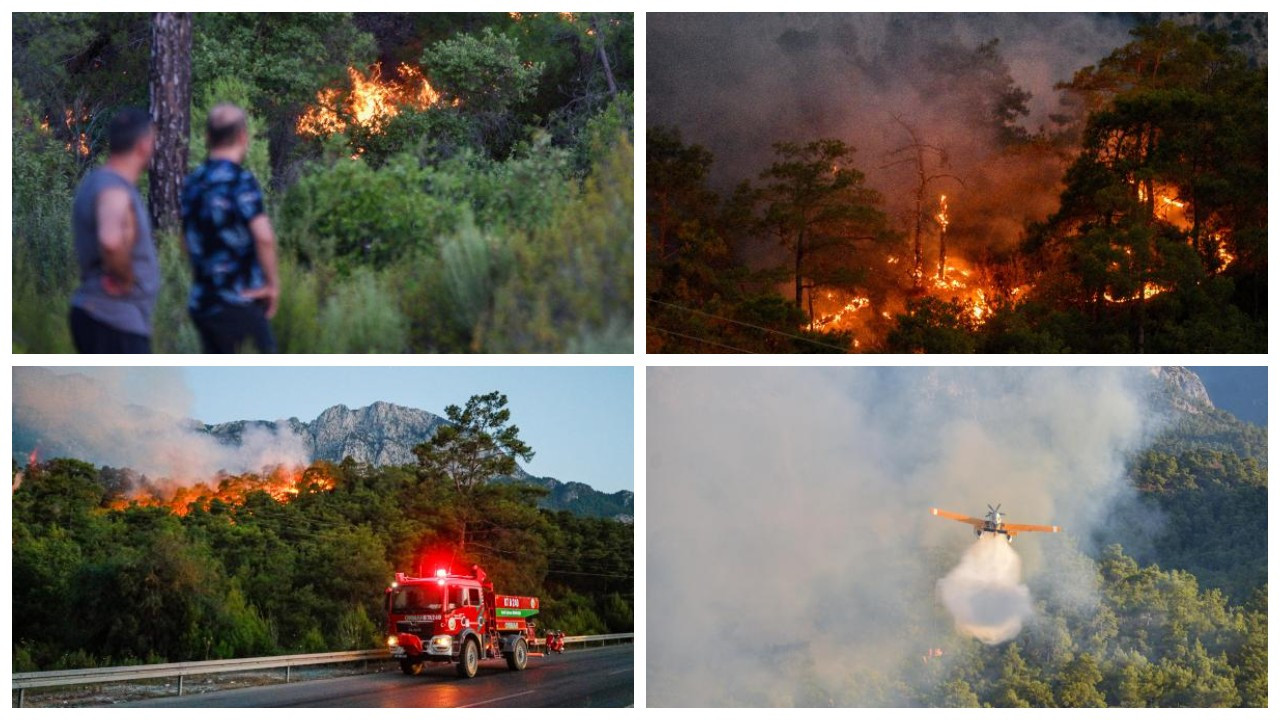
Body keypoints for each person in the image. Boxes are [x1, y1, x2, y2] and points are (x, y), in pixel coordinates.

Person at [181, 103, 280, 353]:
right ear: (242, 136)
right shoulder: (240, 180)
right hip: (240, 300)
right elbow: (264, 237)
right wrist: (271, 285)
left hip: (203, 304)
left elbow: (185, 241)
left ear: (208, 137)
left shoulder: (192, 182)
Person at [69, 108, 160, 353]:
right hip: (113, 318)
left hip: (108, 318)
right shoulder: (113, 188)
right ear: (143, 145)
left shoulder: (98, 182)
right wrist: (127, 279)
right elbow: (110, 240)